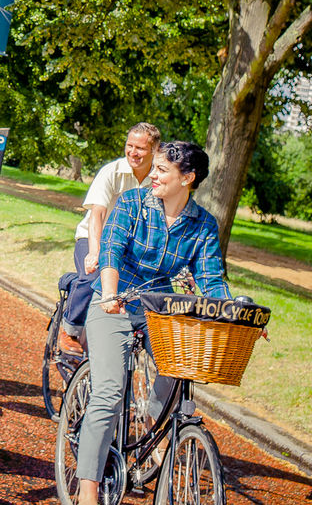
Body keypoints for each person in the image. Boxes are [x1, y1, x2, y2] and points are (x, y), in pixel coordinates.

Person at [74, 141, 230, 505]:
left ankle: (152, 422)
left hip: (157, 306)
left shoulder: (204, 224)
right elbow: (111, 249)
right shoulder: (132, 203)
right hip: (114, 299)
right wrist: (110, 294)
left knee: (178, 371)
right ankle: (87, 490)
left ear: (187, 178)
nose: (153, 175)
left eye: (162, 170)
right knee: (110, 393)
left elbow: (211, 279)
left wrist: (233, 315)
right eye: (155, 168)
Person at [58, 123, 160, 356]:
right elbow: (98, 214)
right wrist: (95, 252)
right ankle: (69, 329)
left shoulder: (158, 177)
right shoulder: (111, 172)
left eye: (140, 148)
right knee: (93, 276)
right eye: (129, 146)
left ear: (154, 149)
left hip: (128, 246)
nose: (133, 152)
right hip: (94, 236)